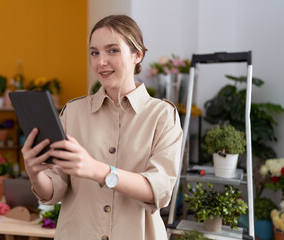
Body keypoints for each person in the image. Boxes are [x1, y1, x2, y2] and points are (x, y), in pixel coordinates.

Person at [22, 14, 183, 240]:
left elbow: (160, 190)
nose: (101, 62)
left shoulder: (163, 116)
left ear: (137, 55)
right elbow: (55, 187)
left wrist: (97, 170)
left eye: (112, 50)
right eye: (94, 53)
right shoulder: (73, 112)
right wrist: (35, 172)